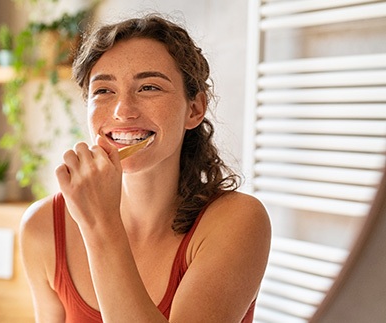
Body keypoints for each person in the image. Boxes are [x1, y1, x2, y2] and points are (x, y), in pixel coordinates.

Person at [20, 13, 271, 323]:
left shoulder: (237, 221)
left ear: (194, 109)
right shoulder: (43, 227)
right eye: (103, 91)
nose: (123, 110)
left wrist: (101, 225)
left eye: (149, 88)